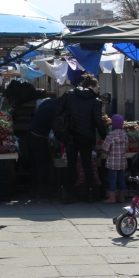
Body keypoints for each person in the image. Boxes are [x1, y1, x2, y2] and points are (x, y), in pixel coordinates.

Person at [60, 74, 107, 203]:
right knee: (87, 165)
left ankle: (67, 193)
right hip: (86, 136)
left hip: (70, 135)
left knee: (71, 164)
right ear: (91, 87)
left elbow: (60, 112)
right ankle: (90, 193)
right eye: (97, 87)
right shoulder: (95, 101)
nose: (98, 90)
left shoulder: (69, 95)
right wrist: (105, 137)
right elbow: (98, 122)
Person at [28, 96, 64, 198]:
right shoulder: (56, 108)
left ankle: (33, 189)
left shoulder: (49, 102)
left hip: (32, 133)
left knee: (34, 163)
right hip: (39, 137)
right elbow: (56, 127)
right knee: (43, 163)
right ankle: (42, 190)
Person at [101, 114, 129, 203]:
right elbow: (127, 146)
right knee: (121, 179)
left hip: (112, 162)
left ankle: (112, 198)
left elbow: (105, 148)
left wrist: (106, 151)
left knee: (112, 179)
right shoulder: (124, 135)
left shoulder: (111, 135)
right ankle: (122, 197)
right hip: (122, 162)